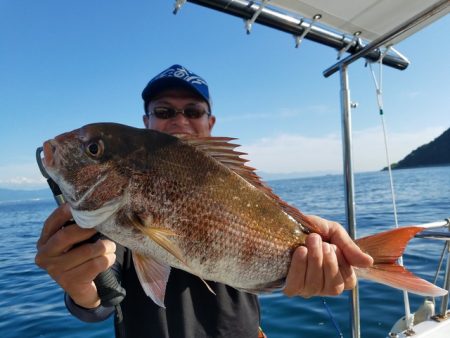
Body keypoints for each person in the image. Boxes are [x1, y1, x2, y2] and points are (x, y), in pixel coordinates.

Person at [35, 64, 373, 337]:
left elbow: (262, 216)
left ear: (210, 122)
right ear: (146, 122)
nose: (179, 120)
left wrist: (312, 238)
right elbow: (102, 300)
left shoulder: (233, 182)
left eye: (193, 110)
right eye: (164, 110)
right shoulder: (102, 221)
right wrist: (80, 287)